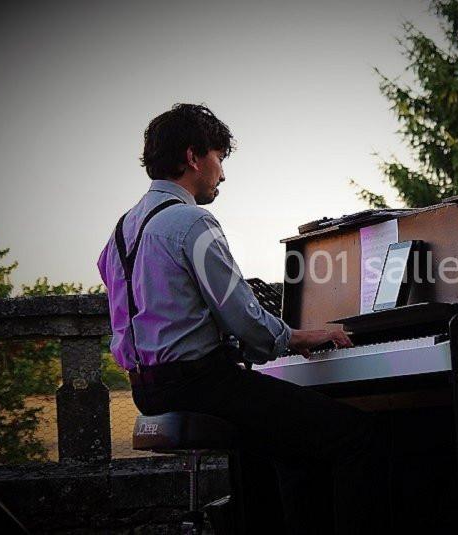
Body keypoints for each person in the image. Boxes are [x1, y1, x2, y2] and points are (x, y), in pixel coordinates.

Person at [97, 103, 389, 534]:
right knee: (359, 436)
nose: (222, 172)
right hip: (202, 385)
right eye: (219, 157)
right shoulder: (191, 221)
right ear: (194, 157)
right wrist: (300, 336)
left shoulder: (121, 230)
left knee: (292, 448)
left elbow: (134, 315)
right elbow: (244, 316)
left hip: (147, 390)